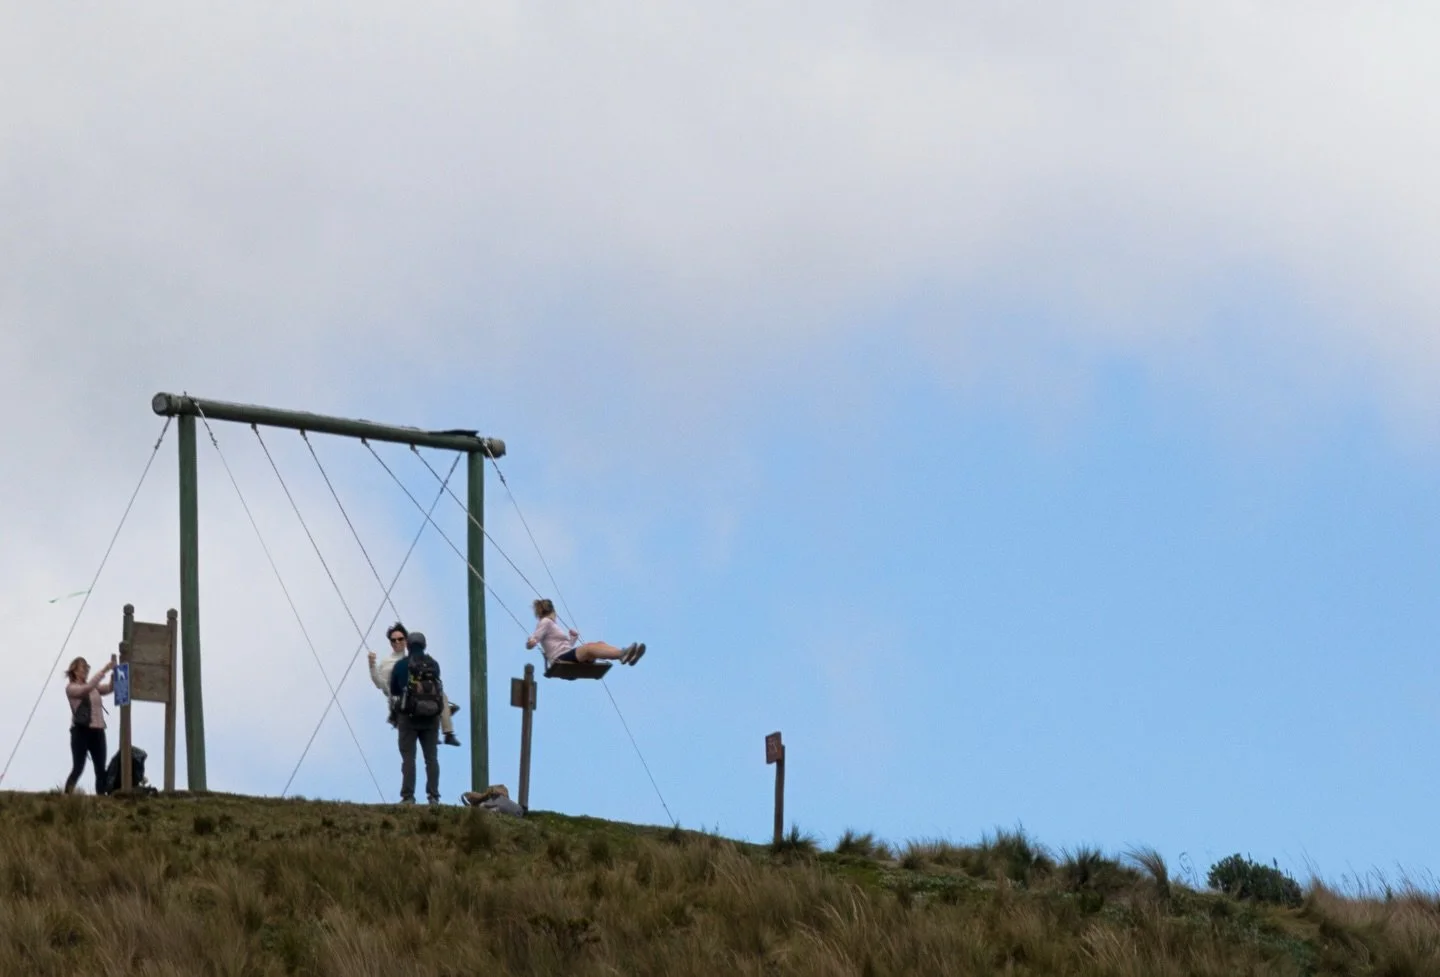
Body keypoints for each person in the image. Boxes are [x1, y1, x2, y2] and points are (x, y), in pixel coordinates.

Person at [368, 622, 460, 746]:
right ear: (390, 642)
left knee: (439, 694)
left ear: (406, 641)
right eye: (393, 640)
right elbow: (380, 684)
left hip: (414, 691)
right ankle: (434, 727)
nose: (397, 642)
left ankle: (448, 733)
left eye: (400, 639)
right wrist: (372, 665)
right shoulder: (386, 662)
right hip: (398, 696)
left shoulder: (413, 660)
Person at [388, 631, 444, 805]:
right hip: (432, 717)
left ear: (408, 646)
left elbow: (394, 690)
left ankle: (408, 796)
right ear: (424, 645)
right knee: (431, 758)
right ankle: (433, 796)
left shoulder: (402, 665)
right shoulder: (434, 664)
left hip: (408, 717)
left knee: (408, 758)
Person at [526, 599, 646, 669]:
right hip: (560, 659)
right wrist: (531, 642)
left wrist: (573, 639)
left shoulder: (551, 625)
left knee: (600, 644)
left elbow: (563, 646)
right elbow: (536, 638)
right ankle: (622, 654)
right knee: (589, 648)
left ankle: (627, 655)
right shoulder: (546, 622)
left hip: (566, 656)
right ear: (554, 611)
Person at [63, 655, 114, 795]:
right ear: (75, 671)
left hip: (98, 731)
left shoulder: (93, 687)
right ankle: (67, 795)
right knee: (78, 767)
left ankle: (101, 798)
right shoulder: (71, 688)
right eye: (83, 667)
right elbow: (86, 689)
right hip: (81, 731)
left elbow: (109, 688)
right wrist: (104, 670)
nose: (86, 670)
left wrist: (114, 677)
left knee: (100, 768)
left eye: (87, 667)